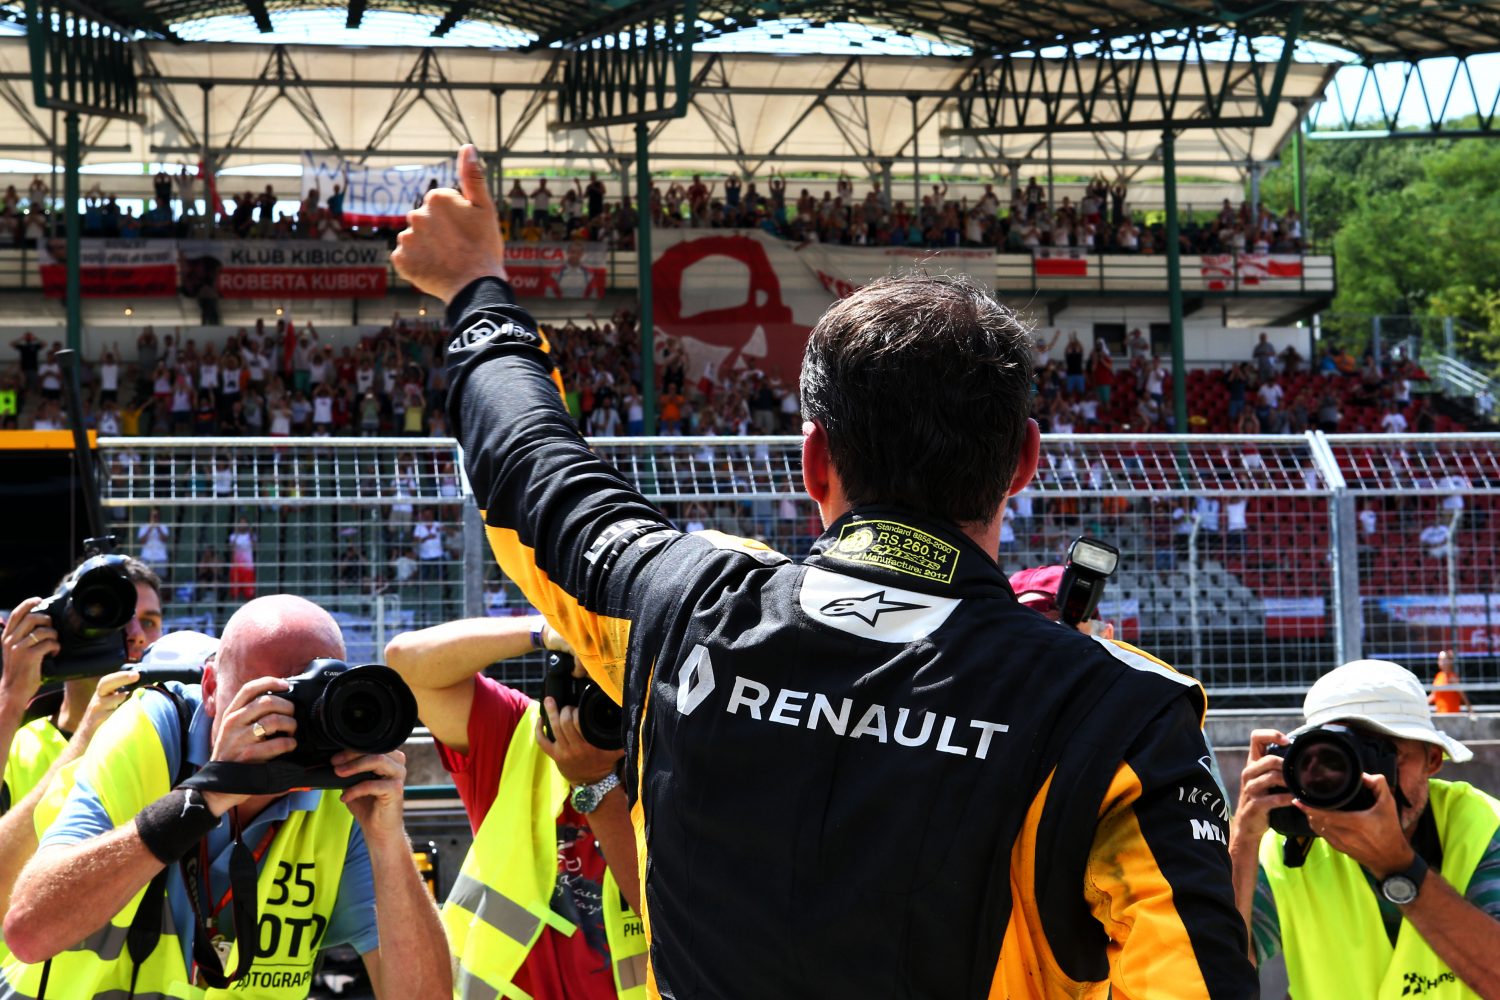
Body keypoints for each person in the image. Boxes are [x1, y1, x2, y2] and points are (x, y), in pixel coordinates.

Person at [391, 144, 1255, 998]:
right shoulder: (1120, 716)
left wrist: (478, 290)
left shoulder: (684, 607)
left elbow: (528, 466)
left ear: (813, 462)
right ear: (1024, 462)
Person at [2, 595, 450, 997]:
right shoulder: (154, 734)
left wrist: (387, 839)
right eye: (270, 695)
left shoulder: (341, 788)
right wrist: (207, 796)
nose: (285, 722)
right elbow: (29, 931)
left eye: (313, 695)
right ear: (212, 689)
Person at [384, 615, 645, 999]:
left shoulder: (677, 767)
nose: (605, 703)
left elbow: (675, 922)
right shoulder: (521, 738)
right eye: (591, 682)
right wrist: (549, 631)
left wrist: (595, 782)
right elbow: (406, 662)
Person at [1228, 659, 1500, 998]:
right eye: (1340, 761)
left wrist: (1396, 866)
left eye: (1387, 755)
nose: (1373, 780)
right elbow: (1221, 973)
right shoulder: (1288, 844)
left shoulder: (1483, 828)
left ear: (1432, 759)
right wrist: (1244, 839)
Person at [1429, 650, 1475, 716]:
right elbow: (1433, 695)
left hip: (1452, 716)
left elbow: (1462, 695)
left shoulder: (1453, 677)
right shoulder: (1438, 676)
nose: (1442, 662)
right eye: (1440, 660)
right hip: (1439, 715)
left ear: (1450, 661)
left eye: (1444, 660)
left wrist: (1470, 711)